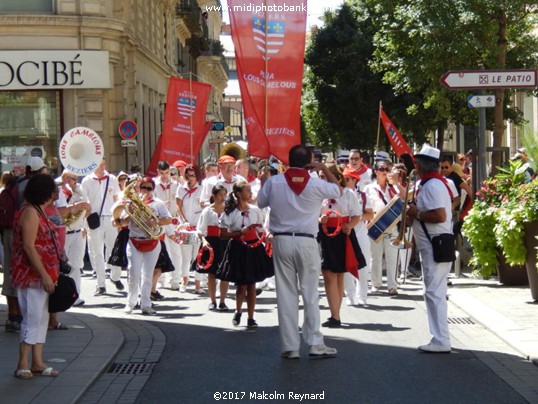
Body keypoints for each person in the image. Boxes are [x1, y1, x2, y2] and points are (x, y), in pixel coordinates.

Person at [258, 145, 341, 359]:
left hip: (282, 240)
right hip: (306, 241)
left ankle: (290, 347)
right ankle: (315, 343)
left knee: (286, 294)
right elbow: (338, 189)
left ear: (288, 160)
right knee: (310, 293)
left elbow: (260, 202)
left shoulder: (275, 182)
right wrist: (323, 167)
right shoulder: (316, 183)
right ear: (310, 161)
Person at [11, 174, 60, 378]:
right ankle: (23, 362)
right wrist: (45, 275)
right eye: (53, 190)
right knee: (32, 318)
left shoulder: (38, 210)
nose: (55, 194)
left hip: (42, 273)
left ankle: (37, 361)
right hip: (31, 274)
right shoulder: (30, 211)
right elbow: (29, 247)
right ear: (45, 192)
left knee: (40, 319)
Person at [407, 145, 453, 353]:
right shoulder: (431, 184)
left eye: (417, 163)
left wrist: (416, 214)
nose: (414, 166)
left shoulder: (433, 185)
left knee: (433, 292)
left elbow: (439, 216)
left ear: (421, 165)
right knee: (435, 291)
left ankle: (441, 340)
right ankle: (440, 337)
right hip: (434, 243)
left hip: (435, 244)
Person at [216, 181, 273, 328]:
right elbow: (222, 234)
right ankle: (238, 310)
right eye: (247, 191)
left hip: (253, 248)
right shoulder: (230, 213)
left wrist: (265, 237)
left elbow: (261, 230)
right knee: (241, 285)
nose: (250, 193)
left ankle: (251, 317)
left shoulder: (255, 210)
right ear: (239, 194)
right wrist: (239, 233)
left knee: (252, 283)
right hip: (238, 248)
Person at [3, 156, 47, 333]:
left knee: (10, 270)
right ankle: (23, 315)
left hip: (8, 231)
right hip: (23, 233)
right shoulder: (32, 187)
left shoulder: (16, 183)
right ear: (38, 171)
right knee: (24, 270)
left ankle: (13, 316)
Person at [117, 177, 172, 315]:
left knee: (147, 275)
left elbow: (168, 219)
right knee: (134, 273)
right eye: (144, 188)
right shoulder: (131, 203)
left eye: (149, 188)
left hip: (152, 241)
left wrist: (157, 221)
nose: (146, 191)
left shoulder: (158, 203)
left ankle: (146, 304)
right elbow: (122, 223)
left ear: (153, 190)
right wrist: (129, 214)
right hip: (134, 240)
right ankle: (131, 302)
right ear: (139, 188)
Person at [318, 164, 365, 327]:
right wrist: (321, 219)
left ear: (336, 178)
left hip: (342, 235)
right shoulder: (320, 195)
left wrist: (349, 225)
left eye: (324, 177)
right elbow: (316, 214)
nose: (322, 180)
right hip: (325, 234)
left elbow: (356, 215)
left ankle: (335, 315)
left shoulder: (347, 194)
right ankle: (335, 314)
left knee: (337, 274)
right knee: (329, 273)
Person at [81, 159, 123, 296]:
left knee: (113, 249)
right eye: (99, 164)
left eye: (104, 164)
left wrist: (119, 218)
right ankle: (101, 284)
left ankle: (115, 276)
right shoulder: (87, 180)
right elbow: (84, 201)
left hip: (110, 218)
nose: (101, 167)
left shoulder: (112, 178)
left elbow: (117, 199)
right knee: (97, 252)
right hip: (95, 220)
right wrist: (85, 220)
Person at [364, 160, 402, 295]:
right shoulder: (369, 188)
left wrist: (396, 182)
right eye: (381, 169)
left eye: (387, 169)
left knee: (392, 257)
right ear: (376, 171)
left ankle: (392, 286)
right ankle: (376, 284)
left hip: (391, 226)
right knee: (376, 257)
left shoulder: (394, 187)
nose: (384, 171)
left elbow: (405, 197)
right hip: (375, 225)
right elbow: (365, 206)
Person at [342, 167, 374, 306]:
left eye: (347, 179)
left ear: (355, 180)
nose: (344, 181)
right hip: (346, 234)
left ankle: (363, 296)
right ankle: (350, 295)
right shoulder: (340, 194)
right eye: (343, 178)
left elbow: (370, 214)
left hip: (360, 233)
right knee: (347, 265)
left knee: (363, 266)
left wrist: (356, 217)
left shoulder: (362, 195)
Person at [60, 170, 91, 306]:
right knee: (62, 265)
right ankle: (61, 294)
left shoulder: (79, 190)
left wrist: (87, 210)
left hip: (78, 232)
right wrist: (76, 206)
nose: (75, 181)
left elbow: (87, 209)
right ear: (66, 178)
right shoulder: (58, 189)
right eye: (73, 178)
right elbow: (59, 210)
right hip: (63, 232)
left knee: (76, 265)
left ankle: (75, 295)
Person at [196, 185, 230, 311]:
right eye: (220, 195)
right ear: (214, 196)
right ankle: (213, 301)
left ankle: (222, 301)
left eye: (224, 195)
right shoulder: (207, 211)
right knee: (212, 273)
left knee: (225, 272)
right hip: (211, 242)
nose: (222, 198)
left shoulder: (229, 210)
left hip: (225, 241)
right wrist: (204, 241)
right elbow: (200, 230)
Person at [176, 164, 204, 293]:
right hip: (186, 226)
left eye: (193, 175)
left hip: (199, 226)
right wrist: (184, 221)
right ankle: (184, 280)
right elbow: (178, 206)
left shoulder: (202, 188)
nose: (190, 178)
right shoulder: (181, 189)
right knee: (185, 255)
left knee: (198, 255)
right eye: (188, 175)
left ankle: (198, 283)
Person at [153, 160, 182, 290]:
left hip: (173, 220)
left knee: (176, 251)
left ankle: (175, 279)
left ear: (170, 171)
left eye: (167, 172)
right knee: (160, 251)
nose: (165, 176)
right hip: (160, 221)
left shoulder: (177, 184)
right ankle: (161, 279)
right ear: (158, 172)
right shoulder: (154, 184)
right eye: (162, 173)